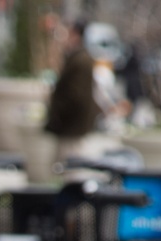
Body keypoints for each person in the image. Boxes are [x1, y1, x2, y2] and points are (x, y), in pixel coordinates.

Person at [44, 17, 101, 164]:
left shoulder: (81, 60)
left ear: (75, 34)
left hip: (72, 126)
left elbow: (76, 96)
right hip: (70, 126)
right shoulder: (77, 57)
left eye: (68, 33)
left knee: (70, 168)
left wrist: (58, 112)